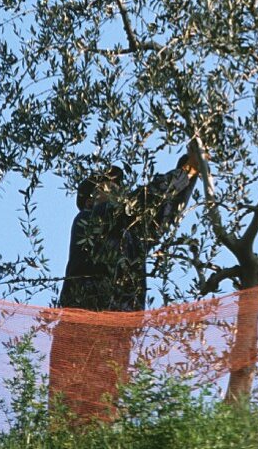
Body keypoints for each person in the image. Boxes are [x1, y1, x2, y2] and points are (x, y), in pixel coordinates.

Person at [49, 146, 202, 424]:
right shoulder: (88, 220)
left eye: (118, 184)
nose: (116, 188)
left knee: (105, 410)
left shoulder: (130, 233)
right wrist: (183, 171)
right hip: (81, 333)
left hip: (116, 333)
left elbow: (162, 216)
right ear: (90, 198)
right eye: (109, 185)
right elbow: (140, 202)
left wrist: (189, 174)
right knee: (69, 416)